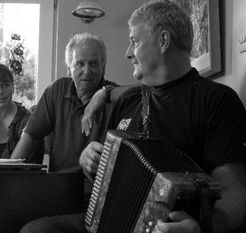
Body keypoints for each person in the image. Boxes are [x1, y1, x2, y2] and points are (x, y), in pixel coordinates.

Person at [80, 1, 246, 233]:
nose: (128, 53)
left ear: (164, 40)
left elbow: (235, 194)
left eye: (134, 41)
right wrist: (89, 160)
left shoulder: (216, 100)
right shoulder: (129, 99)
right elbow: (108, 179)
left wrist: (201, 229)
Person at [12, 32, 117, 232]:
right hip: (59, 193)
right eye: (80, 64)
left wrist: (104, 94)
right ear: (69, 68)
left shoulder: (117, 98)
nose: (87, 71)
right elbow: (30, 135)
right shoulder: (56, 91)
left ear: (104, 66)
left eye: (94, 64)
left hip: (98, 199)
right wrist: (7, 176)